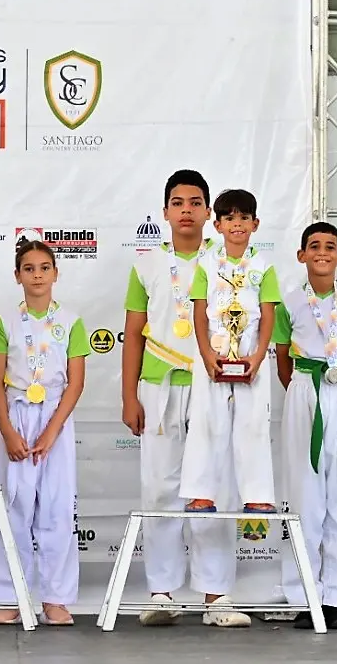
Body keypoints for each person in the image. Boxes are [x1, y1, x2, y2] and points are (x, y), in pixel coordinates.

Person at [122, 170, 248, 628]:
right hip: (158, 383)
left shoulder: (227, 263)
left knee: (212, 484)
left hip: (211, 383)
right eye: (178, 203)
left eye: (196, 202)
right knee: (159, 486)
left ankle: (217, 595)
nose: (187, 211)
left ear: (209, 213)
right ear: (165, 213)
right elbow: (133, 333)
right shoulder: (146, 265)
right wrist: (128, 395)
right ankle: (161, 591)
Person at [273, 222, 337, 630]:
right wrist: (305, 390)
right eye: (314, 246)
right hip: (305, 388)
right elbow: (282, 359)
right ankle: (305, 595)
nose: (322, 252)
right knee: (304, 494)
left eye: (330, 247)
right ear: (301, 255)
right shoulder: (289, 303)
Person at [0, 241, 87, 627]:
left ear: (56, 273)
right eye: (29, 269)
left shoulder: (72, 321)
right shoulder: (4, 322)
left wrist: (51, 432)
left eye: (45, 267)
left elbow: (75, 383)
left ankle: (56, 598)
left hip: (55, 420)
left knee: (57, 510)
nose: (38, 275)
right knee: (12, 508)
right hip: (15, 416)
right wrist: (9, 432)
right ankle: (9, 596)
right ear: (17, 276)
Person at [180, 188, 280, 520]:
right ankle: (200, 492)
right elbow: (199, 310)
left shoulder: (263, 267)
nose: (237, 224)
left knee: (253, 423)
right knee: (207, 420)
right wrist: (206, 353)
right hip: (214, 352)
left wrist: (259, 354)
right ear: (217, 225)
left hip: (251, 353)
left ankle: (257, 495)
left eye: (243, 218)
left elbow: (268, 314)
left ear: (255, 224)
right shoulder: (207, 265)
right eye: (229, 218)